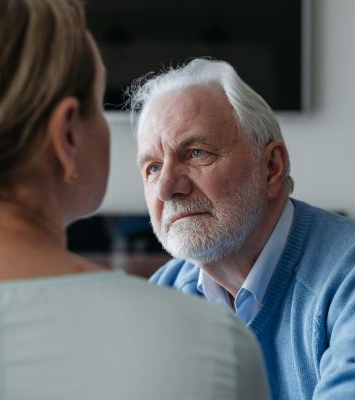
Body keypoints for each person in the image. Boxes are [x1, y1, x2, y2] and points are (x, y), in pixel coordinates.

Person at [0, 1, 271, 399]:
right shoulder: (208, 343)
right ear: (67, 135)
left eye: (196, 153)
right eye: (101, 105)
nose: (167, 184)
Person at [130, 58, 355, 400]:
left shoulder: (345, 278)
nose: (166, 188)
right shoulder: (165, 294)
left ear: (271, 167)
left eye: (195, 152)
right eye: (153, 167)